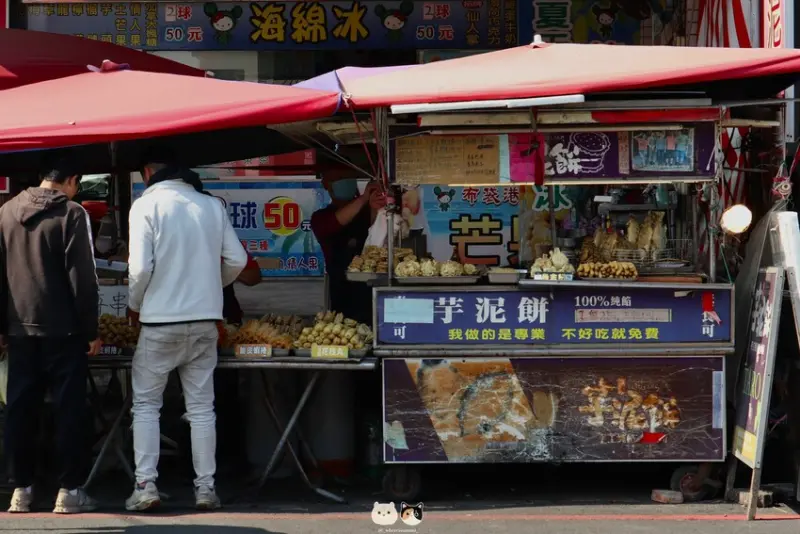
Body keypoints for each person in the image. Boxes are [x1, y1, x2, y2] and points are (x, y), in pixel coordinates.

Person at [126, 152, 247, 512]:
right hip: (206, 321)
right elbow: (238, 261)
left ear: (148, 172)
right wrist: (211, 287)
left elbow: (140, 268)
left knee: (147, 405)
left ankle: (146, 485)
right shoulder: (211, 206)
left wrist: (135, 304)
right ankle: (206, 488)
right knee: (201, 409)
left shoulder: (145, 206)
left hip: (160, 322)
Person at [0, 161, 102, 514]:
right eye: (77, 183)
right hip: (65, 330)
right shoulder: (73, 214)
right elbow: (83, 278)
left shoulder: (7, 211)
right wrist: (91, 329)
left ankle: (21, 490)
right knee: (69, 411)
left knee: (20, 410)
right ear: (70, 181)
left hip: (19, 330)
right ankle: (69, 490)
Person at [310, 178, 385, 324]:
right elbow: (336, 221)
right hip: (341, 291)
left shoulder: (365, 211)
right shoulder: (320, 218)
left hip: (371, 287)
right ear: (327, 184)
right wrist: (364, 198)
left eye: (348, 177)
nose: (345, 181)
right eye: (339, 178)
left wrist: (374, 203)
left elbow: (377, 232)